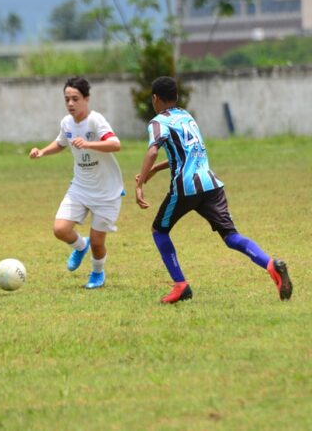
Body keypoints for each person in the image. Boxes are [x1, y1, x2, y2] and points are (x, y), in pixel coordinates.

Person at [135, 76, 292, 304]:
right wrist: (157, 170)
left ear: (155, 99)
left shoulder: (158, 122)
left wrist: (139, 185)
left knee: (159, 230)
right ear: (177, 97)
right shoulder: (187, 117)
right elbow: (186, 153)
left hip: (186, 188)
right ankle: (271, 265)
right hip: (211, 184)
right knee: (231, 236)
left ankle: (181, 285)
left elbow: (152, 151)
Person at [29, 76, 124, 289]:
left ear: (86, 99)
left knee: (98, 243)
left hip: (106, 191)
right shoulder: (66, 123)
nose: (71, 103)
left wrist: (89, 143)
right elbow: (61, 143)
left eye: (75, 98)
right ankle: (81, 247)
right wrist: (42, 152)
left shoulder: (95, 120)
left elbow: (115, 144)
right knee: (60, 229)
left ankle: (97, 274)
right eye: (67, 99)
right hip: (80, 187)